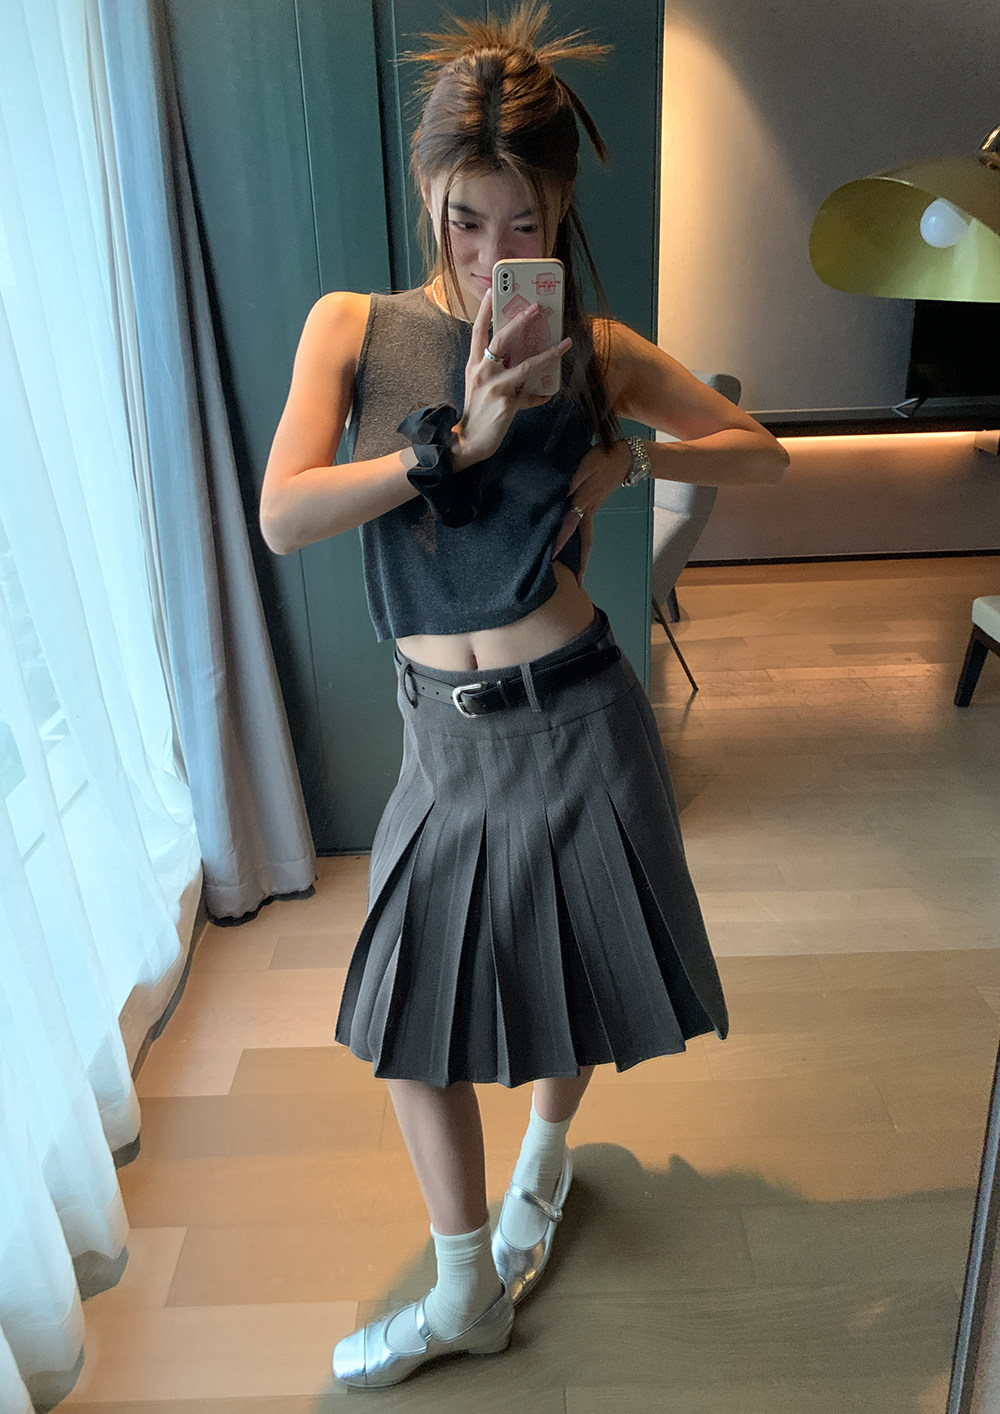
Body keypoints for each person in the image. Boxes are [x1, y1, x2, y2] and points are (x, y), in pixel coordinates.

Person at [259, 0, 788, 1390]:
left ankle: (545, 1158)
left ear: (559, 209)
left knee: (578, 972)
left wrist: (633, 460)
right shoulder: (354, 329)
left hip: (579, 713)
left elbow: (762, 453)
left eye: (525, 223)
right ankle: (463, 1292)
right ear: (428, 197)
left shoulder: (597, 349)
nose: (496, 255)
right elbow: (286, 513)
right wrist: (449, 449)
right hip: (443, 742)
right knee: (403, 1022)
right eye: (465, 221)